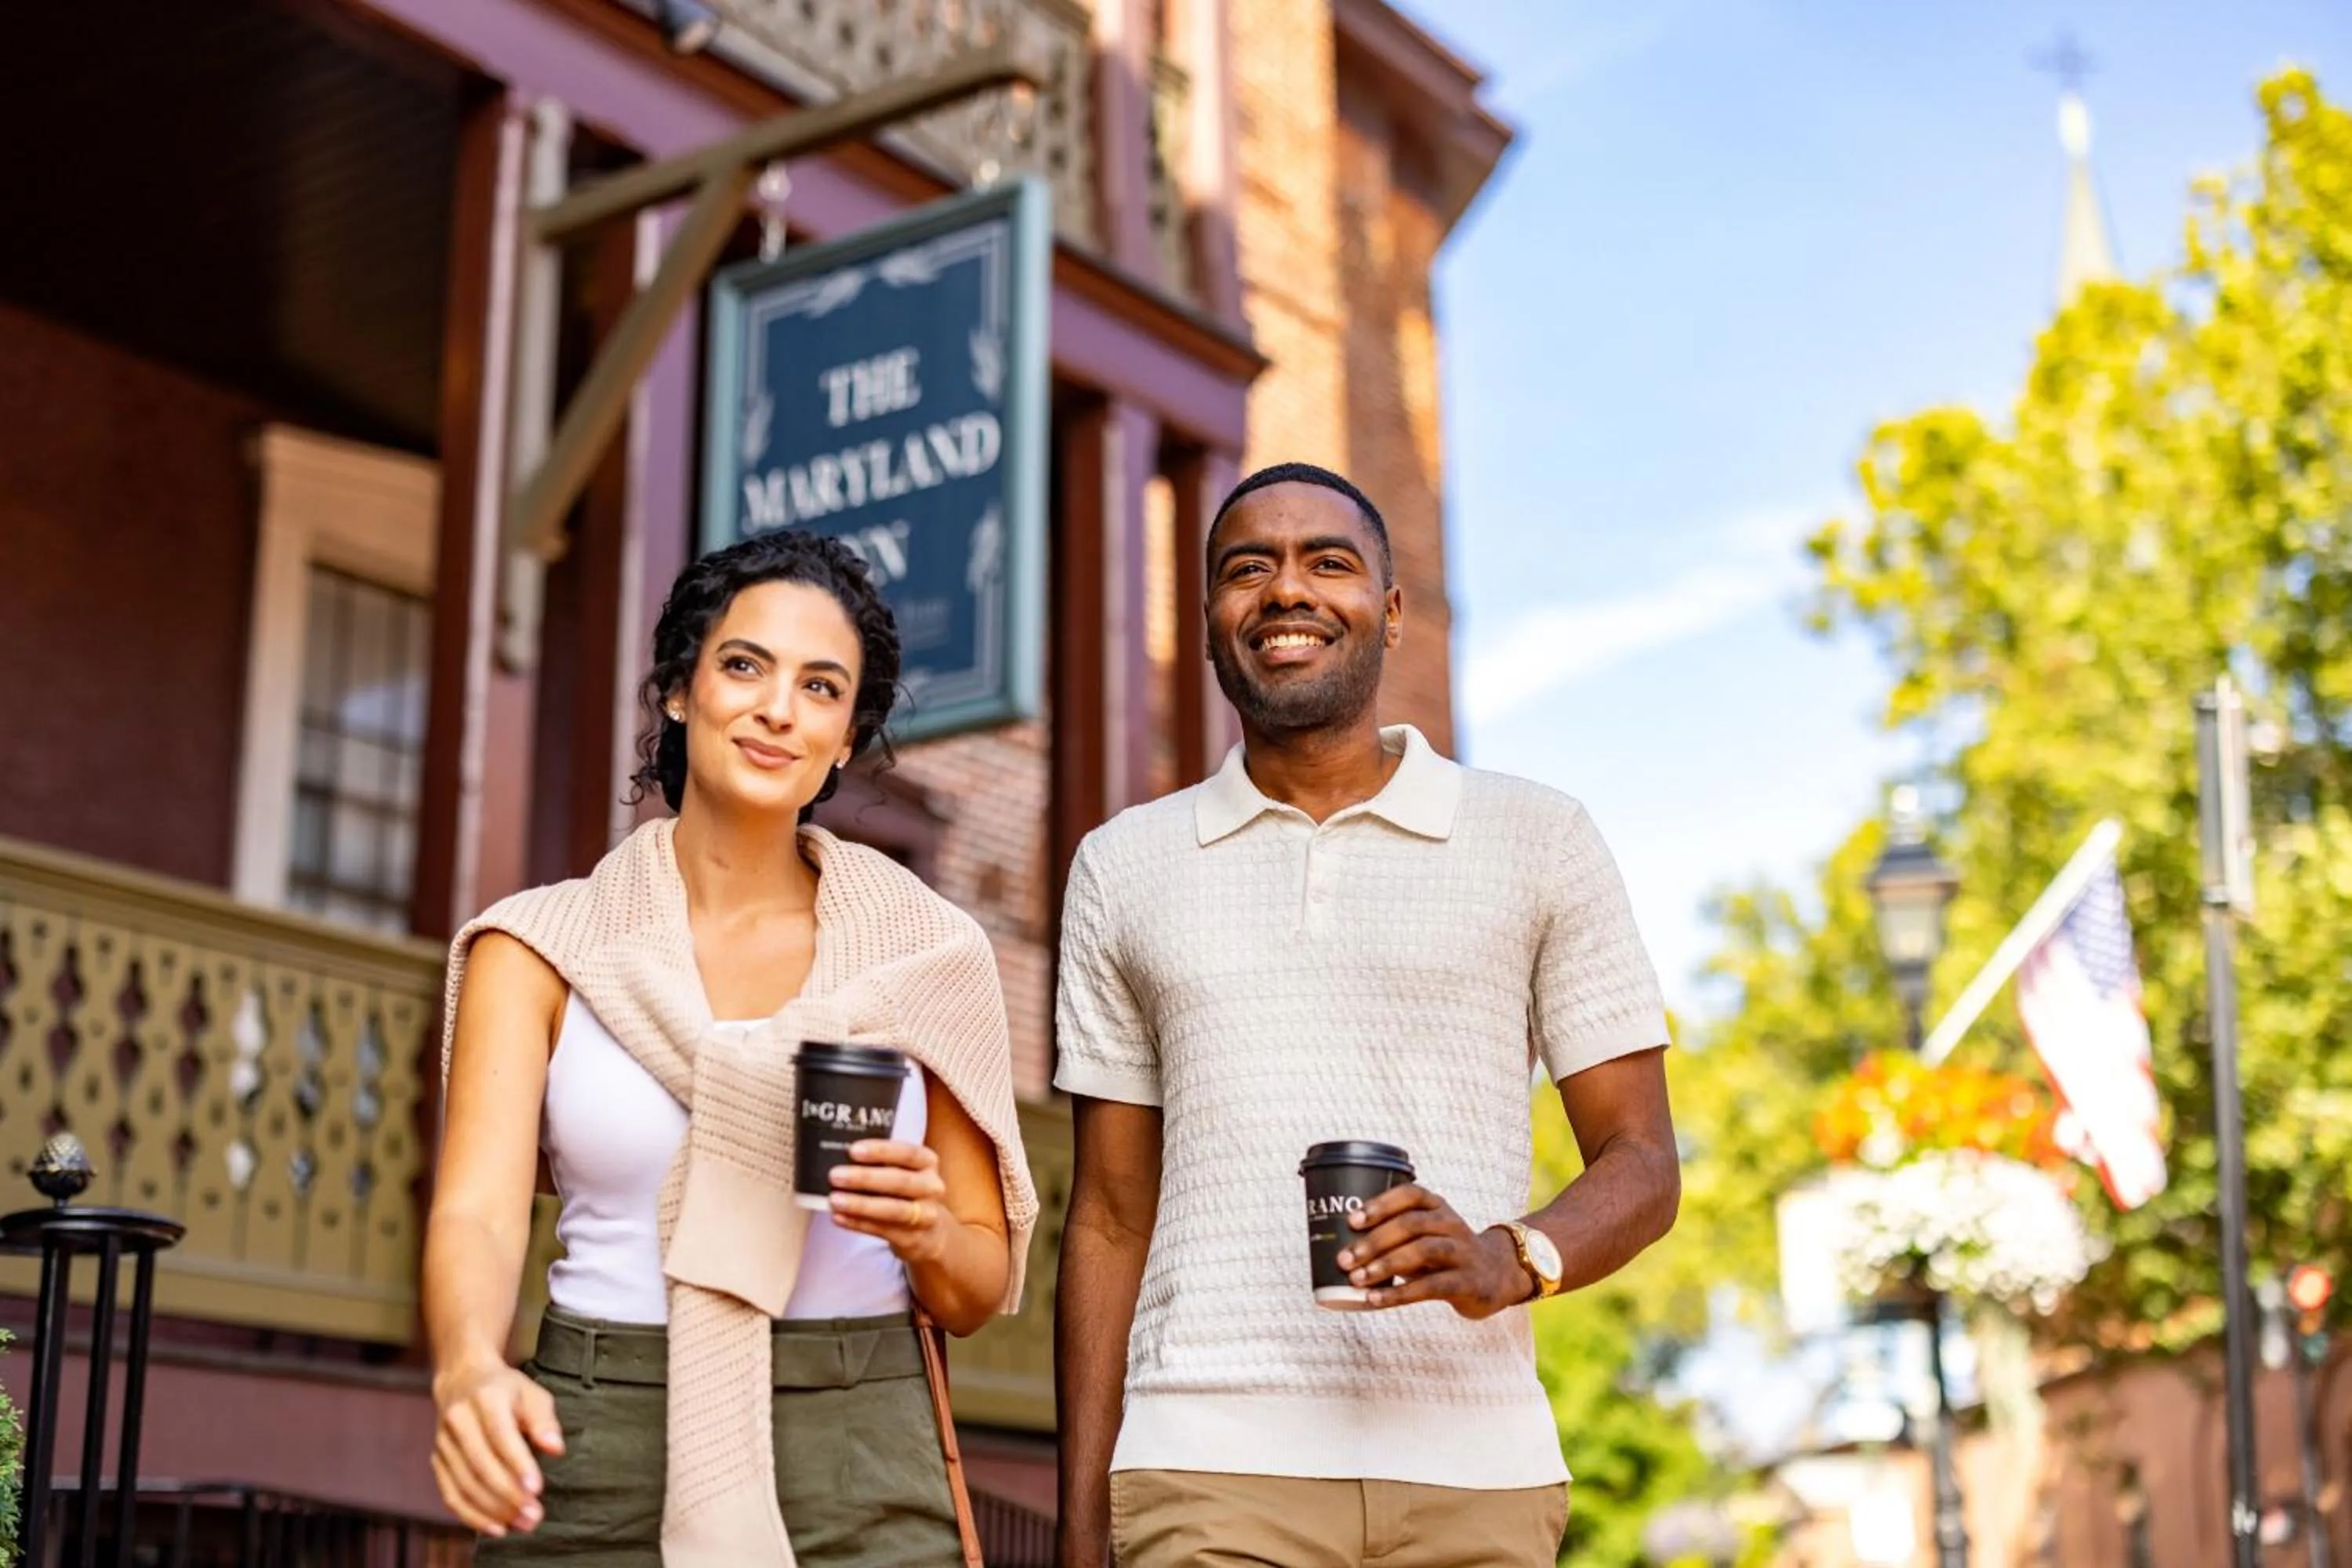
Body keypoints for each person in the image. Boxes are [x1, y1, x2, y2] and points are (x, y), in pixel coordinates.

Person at [1052, 463, 1681, 1568]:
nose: (1286, 590)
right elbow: (1107, 1217)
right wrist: (1076, 1523)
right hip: (1206, 1462)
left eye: (1327, 563)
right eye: (1247, 570)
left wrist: (1513, 1257)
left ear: (1390, 612)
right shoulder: (1123, 865)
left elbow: (1642, 1161)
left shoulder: (1539, 838)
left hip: (1476, 1471)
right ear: (1210, 626)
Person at [423, 530, 1036, 1568]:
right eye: (745, 665)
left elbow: (975, 1290)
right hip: (601, 1429)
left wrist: (930, 1230)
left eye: (821, 687)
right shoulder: (539, 950)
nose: (778, 708)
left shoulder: (927, 958)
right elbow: (479, 1212)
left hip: (857, 1443)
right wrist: (467, 1368)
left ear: (847, 738)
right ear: (678, 691)